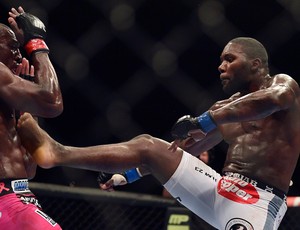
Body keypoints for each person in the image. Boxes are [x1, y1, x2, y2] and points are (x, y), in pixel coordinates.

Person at [17, 37, 300, 229]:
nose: (221, 66)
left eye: (229, 59)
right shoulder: (224, 107)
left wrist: (205, 119)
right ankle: (57, 153)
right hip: (220, 188)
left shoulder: (282, 85)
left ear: (255, 64)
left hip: (258, 202)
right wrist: (128, 174)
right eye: (221, 60)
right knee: (148, 146)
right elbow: (182, 149)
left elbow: (275, 99)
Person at [0, 6, 63, 229]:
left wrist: (24, 107)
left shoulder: (5, 102)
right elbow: (52, 102)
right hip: (8, 202)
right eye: (14, 48)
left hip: (15, 194)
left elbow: (29, 169)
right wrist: (36, 44)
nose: (19, 55)